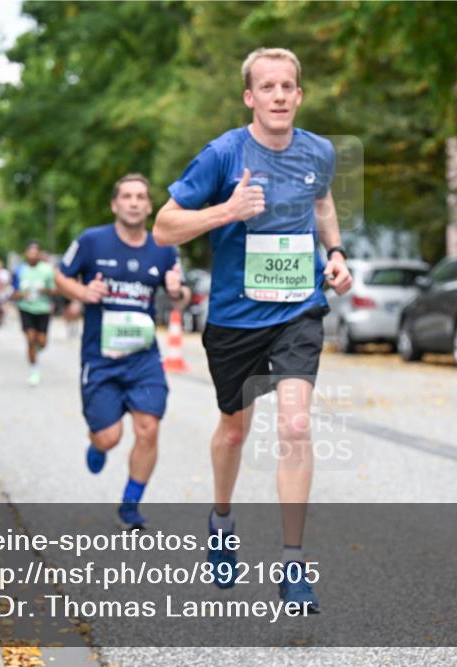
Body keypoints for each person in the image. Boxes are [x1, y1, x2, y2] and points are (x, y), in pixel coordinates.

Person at [153, 47, 352, 611]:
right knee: (235, 432)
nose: (280, 96)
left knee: (293, 425)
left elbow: (323, 201)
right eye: (267, 87)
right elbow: (166, 227)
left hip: (297, 311)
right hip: (236, 320)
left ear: (300, 95)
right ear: (250, 97)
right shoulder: (222, 154)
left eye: (288, 86)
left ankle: (293, 565)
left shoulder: (319, 151)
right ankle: (221, 520)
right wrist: (227, 211)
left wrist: (334, 253)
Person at [56, 173, 189, 530]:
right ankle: (97, 445)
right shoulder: (91, 242)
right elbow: (61, 275)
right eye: (126, 196)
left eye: (140, 197)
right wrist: (82, 293)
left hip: (143, 358)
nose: (133, 202)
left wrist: (177, 291)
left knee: (148, 428)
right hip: (100, 358)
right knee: (110, 436)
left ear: (148, 206)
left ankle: (130, 505)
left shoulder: (163, 248)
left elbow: (183, 297)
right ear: (115, 204)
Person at [13, 242, 56, 386]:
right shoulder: (20, 270)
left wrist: (44, 290)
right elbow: (13, 291)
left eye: (35, 253)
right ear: (26, 254)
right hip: (26, 308)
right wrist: (21, 294)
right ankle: (34, 370)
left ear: (39, 254)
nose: (32, 255)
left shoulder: (47, 270)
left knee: (42, 341)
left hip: (43, 308)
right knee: (30, 339)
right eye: (30, 252)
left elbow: (55, 290)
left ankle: (35, 351)